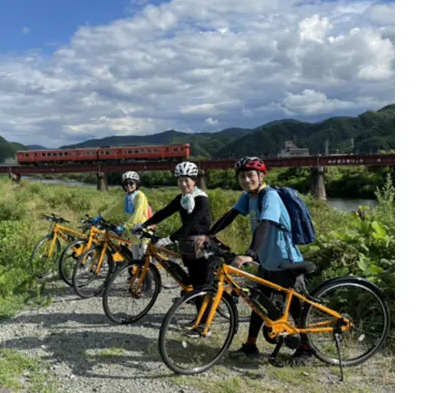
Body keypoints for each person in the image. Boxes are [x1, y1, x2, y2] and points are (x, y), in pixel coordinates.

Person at [208, 156, 313, 365]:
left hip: (285, 260)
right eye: (242, 177)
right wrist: (208, 234)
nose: (246, 180)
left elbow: (265, 224)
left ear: (261, 176)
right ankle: (250, 345)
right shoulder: (249, 196)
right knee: (258, 304)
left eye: (250, 175)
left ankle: (306, 348)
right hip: (267, 261)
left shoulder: (270, 196)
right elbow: (232, 215)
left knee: (296, 308)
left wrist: (251, 254)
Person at [133, 161, 212, 333]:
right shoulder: (182, 199)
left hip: (201, 244)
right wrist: (144, 225)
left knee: (201, 285)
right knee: (193, 282)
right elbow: (164, 212)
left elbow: (191, 224)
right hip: (188, 245)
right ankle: (199, 318)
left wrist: (169, 238)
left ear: (194, 180)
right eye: (180, 180)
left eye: (187, 180)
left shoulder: (201, 199)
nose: (183, 184)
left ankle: (204, 324)